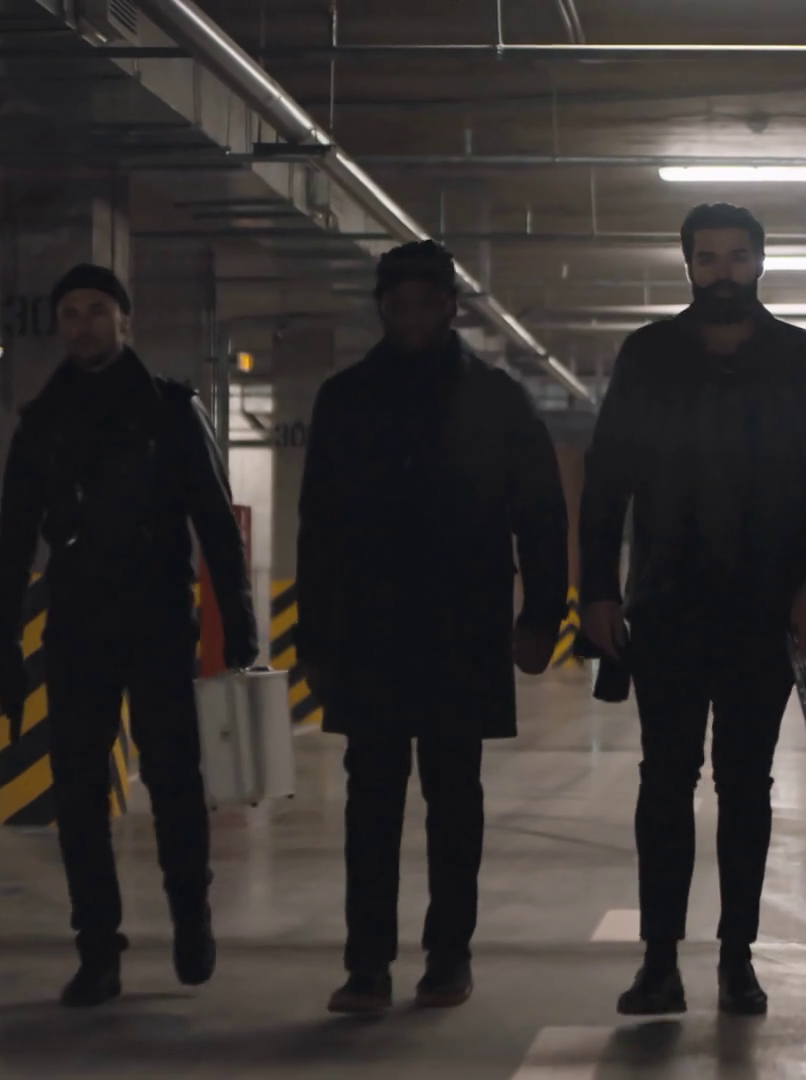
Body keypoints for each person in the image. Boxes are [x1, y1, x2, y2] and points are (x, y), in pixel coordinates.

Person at [579, 203, 806, 1017]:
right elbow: (606, 481)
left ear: (760, 262)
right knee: (664, 782)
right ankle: (659, 964)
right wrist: (597, 589)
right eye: (707, 258)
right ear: (688, 266)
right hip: (666, 605)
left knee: (746, 784)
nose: (722, 273)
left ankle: (737, 959)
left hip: (765, 609)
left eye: (737, 257)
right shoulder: (648, 357)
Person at [293, 240, 569, 1017]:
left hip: (462, 626)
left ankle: (449, 958)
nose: (412, 317)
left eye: (426, 303)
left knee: (454, 800)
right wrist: (314, 639)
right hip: (369, 632)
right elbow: (319, 526)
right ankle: (367, 966)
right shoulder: (346, 399)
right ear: (381, 308)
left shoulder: (498, 399)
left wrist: (542, 615)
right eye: (398, 304)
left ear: (451, 307)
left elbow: (541, 513)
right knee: (370, 803)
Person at [0, 264, 258, 1008]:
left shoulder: (171, 409)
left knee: (174, 780)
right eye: (71, 313)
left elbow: (214, 518)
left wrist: (237, 615)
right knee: (78, 793)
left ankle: (190, 917)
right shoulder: (42, 421)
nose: (83, 324)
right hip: (77, 622)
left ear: (125, 320)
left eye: (97, 309)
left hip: (159, 618)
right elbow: (13, 540)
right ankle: (97, 950)